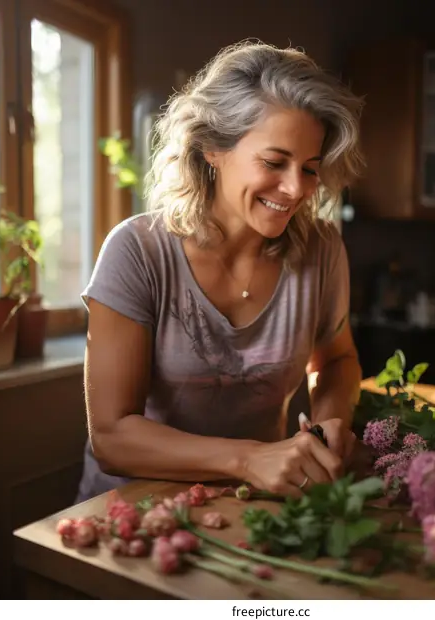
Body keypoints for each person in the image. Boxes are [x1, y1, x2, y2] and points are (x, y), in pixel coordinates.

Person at [75, 40, 365, 503]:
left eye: (310, 169)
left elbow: (334, 361)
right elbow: (112, 438)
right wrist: (250, 459)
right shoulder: (137, 252)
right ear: (213, 148)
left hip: (254, 508)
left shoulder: (322, 250)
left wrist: (331, 424)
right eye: (274, 162)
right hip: (132, 514)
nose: (295, 189)